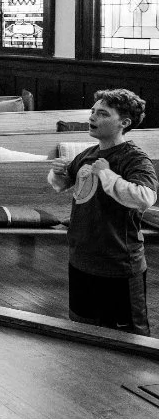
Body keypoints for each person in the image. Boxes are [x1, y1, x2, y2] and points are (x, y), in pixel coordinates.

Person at [48, 89, 155, 335]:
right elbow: (61, 185)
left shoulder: (134, 158)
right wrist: (57, 172)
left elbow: (145, 197)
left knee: (128, 337)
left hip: (118, 263)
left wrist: (106, 173)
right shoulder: (88, 154)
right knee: (82, 329)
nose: (92, 117)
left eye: (103, 114)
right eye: (93, 111)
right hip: (82, 258)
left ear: (124, 123)